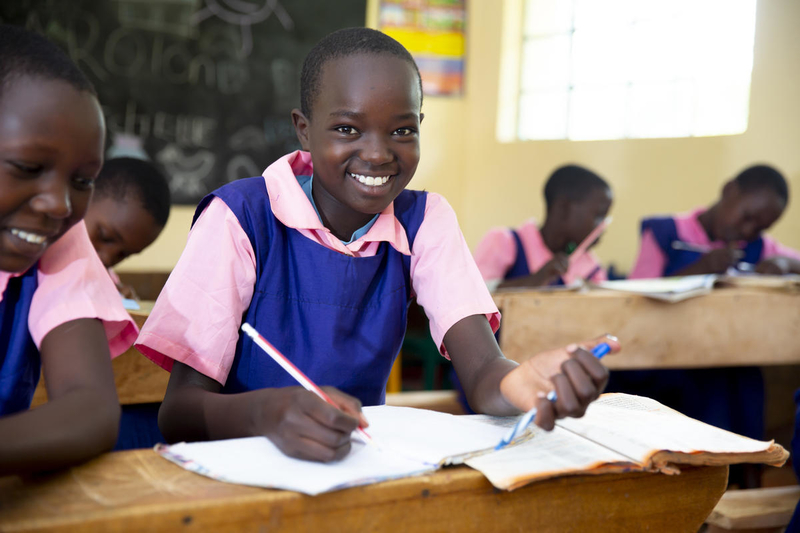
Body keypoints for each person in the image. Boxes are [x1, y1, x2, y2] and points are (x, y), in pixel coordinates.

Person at [136, 27, 620, 462]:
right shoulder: (240, 218)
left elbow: (482, 372)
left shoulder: (426, 220)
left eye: (402, 130)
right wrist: (269, 413)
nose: (377, 153)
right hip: (236, 472)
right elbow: (177, 413)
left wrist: (520, 383)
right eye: (347, 128)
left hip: (354, 468)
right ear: (303, 129)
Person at [0, 25, 137, 474]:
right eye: (28, 167)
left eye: (82, 181)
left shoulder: (59, 245)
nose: (58, 204)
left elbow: (91, 409)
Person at [629, 164, 800, 279]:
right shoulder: (664, 232)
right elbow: (634, 296)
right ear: (729, 190)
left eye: (761, 228)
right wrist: (701, 269)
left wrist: (785, 263)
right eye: (747, 217)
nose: (749, 231)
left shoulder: (760, 246)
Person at [474, 165, 612, 289]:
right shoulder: (505, 242)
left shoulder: (592, 269)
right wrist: (534, 281)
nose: (602, 227)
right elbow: (473, 297)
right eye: (599, 216)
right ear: (563, 208)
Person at [84, 157, 171, 298]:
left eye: (123, 254)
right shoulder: (39, 261)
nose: (106, 259)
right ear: (81, 199)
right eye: (105, 237)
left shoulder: (104, 279)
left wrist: (121, 305)